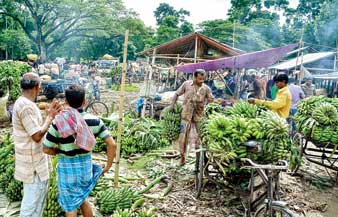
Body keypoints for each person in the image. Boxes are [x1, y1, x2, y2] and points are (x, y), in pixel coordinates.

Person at [43, 85, 116, 217]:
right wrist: (108, 165)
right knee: (82, 199)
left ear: (65, 101)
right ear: (84, 102)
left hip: (67, 172)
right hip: (85, 171)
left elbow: (46, 148)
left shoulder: (59, 122)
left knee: (70, 206)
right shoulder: (95, 121)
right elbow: (112, 144)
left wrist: (58, 151)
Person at [12, 72, 62, 217]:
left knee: (38, 201)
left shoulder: (23, 102)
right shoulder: (26, 107)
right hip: (32, 162)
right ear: (37, 87)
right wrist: (50, 117)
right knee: (31, 204)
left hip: (33, 159)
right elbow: (36, 136)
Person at [169, 69, 214, 166]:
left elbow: (211, 99)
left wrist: (212, 101)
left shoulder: (206, 88)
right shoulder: (186, 84)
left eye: (203, 79)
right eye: (199, 79)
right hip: (185, 115)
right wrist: (172, 105)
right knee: (182, 137)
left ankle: (199, 161)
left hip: (199, 116)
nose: (201, 81)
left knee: (200, 138)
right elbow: (177, 94)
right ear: (194, 77)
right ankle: (182, 157)